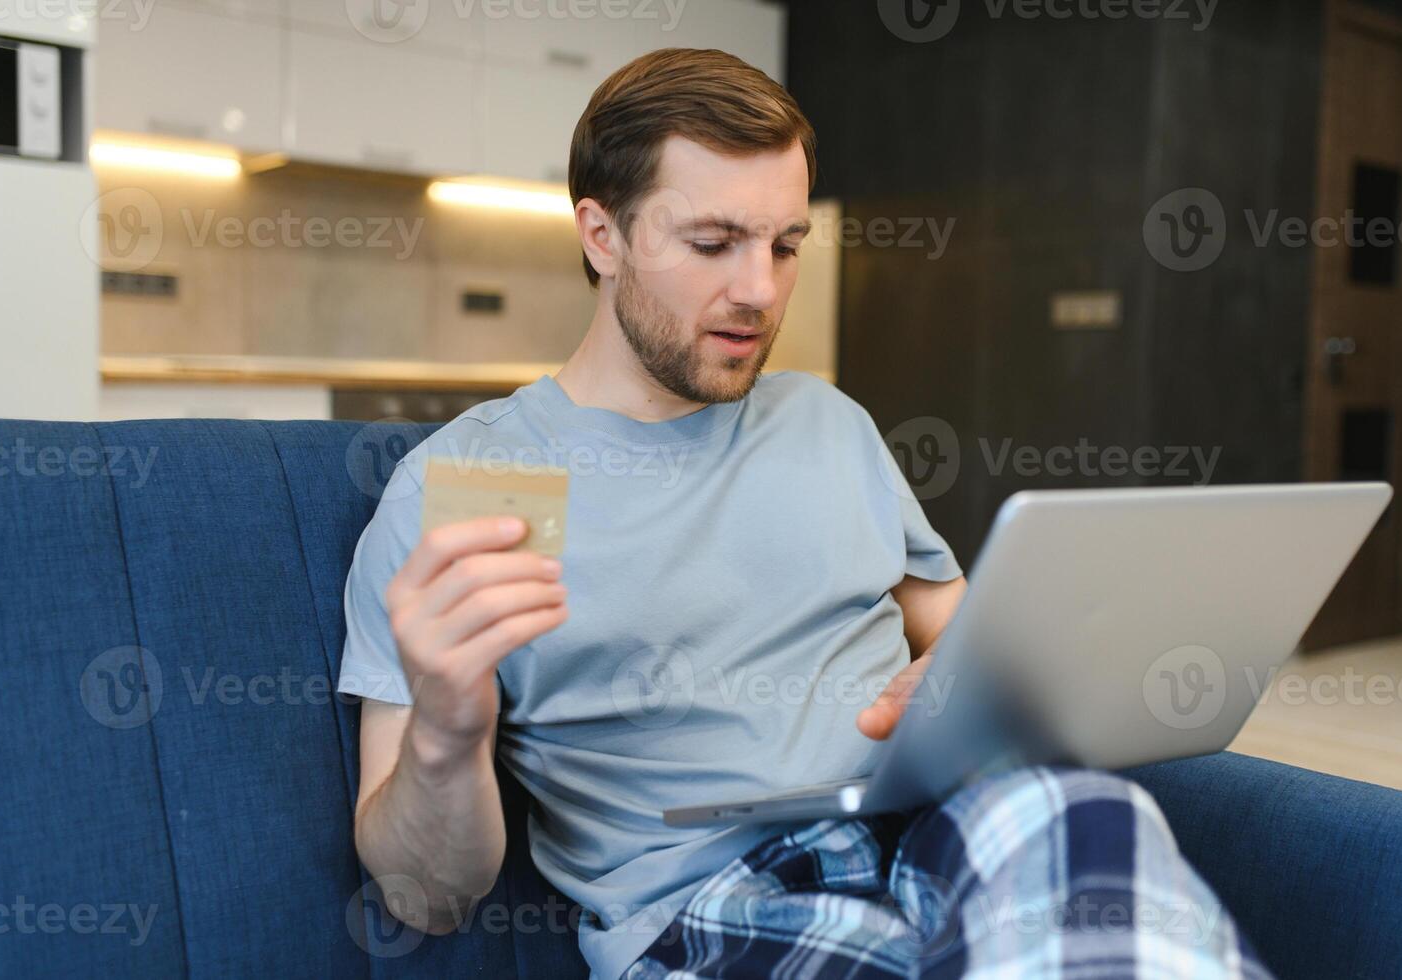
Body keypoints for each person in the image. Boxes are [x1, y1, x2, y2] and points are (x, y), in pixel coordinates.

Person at [337, 47, 1271, 980]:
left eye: (785, 245)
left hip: (935, 825)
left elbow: (966, 635)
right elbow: (425, 899)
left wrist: (966, 676)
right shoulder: (474, 484)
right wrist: (447, 734)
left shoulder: (827, 422)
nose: (760, 290)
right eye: (713, 244)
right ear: (601, 236)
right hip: (708, 908)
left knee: (1091, 813)